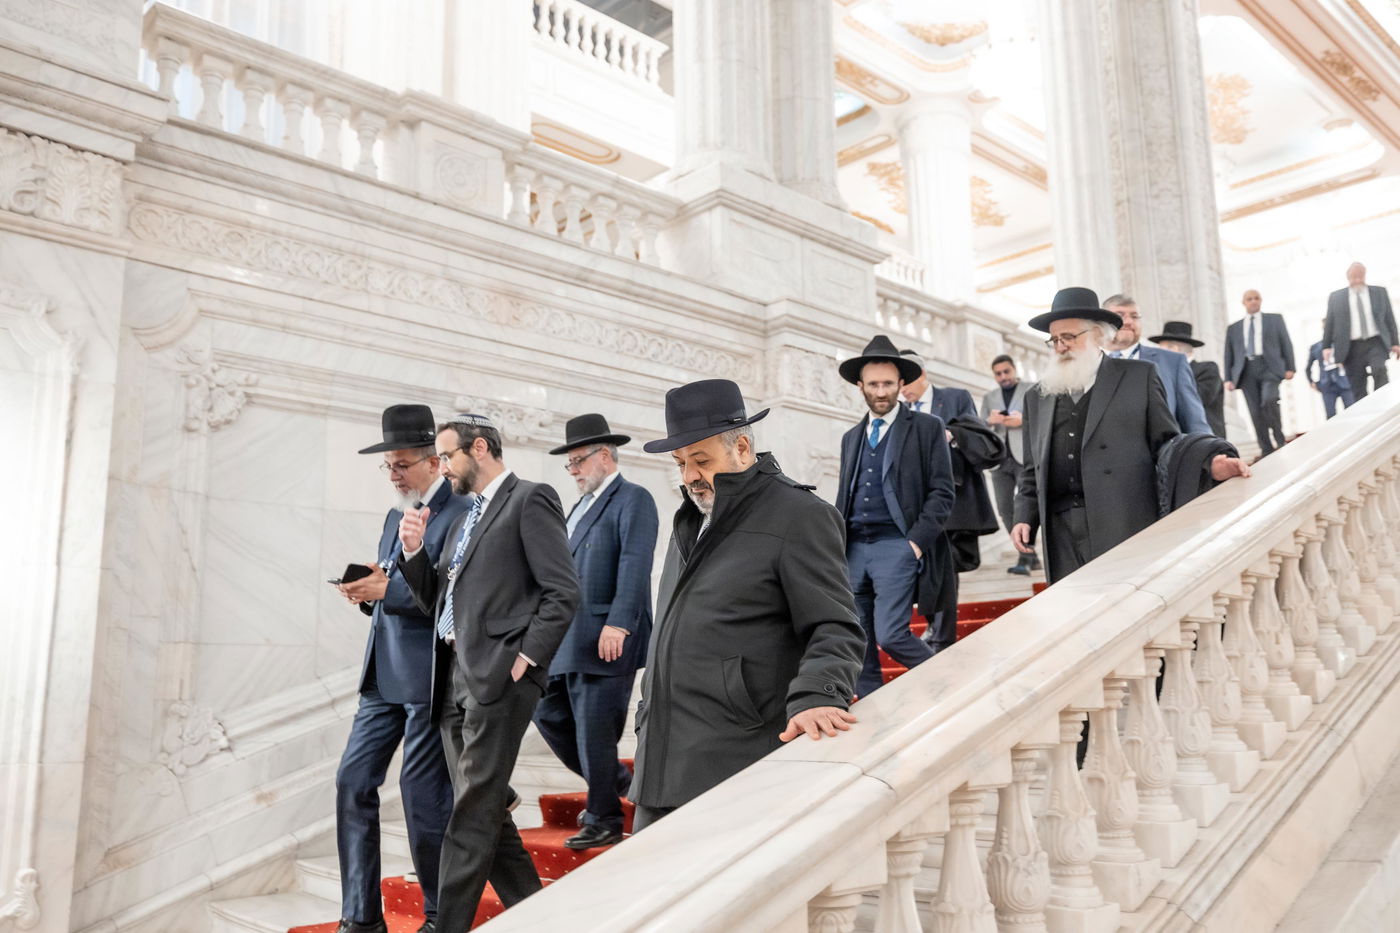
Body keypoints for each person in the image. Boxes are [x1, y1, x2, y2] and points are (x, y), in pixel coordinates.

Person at [628, 379, 865, 830]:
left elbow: (835, 625)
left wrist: (818, 694)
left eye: (700, 461)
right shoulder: (691, 518)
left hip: (735, 761)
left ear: (741, 446)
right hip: (662, 755)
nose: (689, 476)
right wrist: (646, 716)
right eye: (680, 464)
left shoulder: (800, 515)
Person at [398, 414, 580, 933]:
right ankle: (538, 915)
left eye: (448, 455)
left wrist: (525, 660)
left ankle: (445, 925)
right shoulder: (458, 521)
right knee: (483, 809)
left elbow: (561, 591)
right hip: (454, 677)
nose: (443, 466)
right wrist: (413, 552)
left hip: (502, 675)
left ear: (479, 449)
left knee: (473, 810)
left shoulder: (531, 498)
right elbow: (437, 600)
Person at [333, 405, 467, 933]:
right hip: (380, 676)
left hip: (430, 677)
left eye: (402, 464)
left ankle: (439, 916)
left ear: (435, 461)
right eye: (388, 465)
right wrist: (368, 587)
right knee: (352, 782)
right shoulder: (395, 515)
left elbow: (453, 598)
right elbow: (395, 581)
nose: (393, 474)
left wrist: (386, 589)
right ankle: (360, 919)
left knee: (422, 798)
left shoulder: (464, 513)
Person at [1012, 288, 1249, 584]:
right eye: (1054, 340)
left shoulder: (1139, 376)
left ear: (1098, 334)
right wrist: (1024, 516)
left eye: (1069, 337)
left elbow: (1166, 444)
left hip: (1123, 520)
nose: (1060, 347)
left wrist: (1207, 463)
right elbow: (1032, 468)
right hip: (1061, 531)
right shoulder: (1037, 396)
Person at [535, 414, 657, 850]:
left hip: (607, 635)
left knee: (595, 730)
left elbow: (635, 565)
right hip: (567, 637)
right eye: (569, 465)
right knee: (545, 712)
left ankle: (604, 817)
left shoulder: (634, 499)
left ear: (605, 456)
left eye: (578, 462)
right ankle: (617, 780)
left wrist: (620, 623)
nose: (573, 472)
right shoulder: (579, 506)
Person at [834, 336, 956, 696]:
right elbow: (846, 494)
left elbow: (942, 492)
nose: (881, 391)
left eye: (888, 383)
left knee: (891, 634)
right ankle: (873, 714)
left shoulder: (927, 427)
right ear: (860, 386)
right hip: (854, 549)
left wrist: (915, 544)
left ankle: (951, 685)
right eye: (873, 384)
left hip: (897, 546)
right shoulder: (850, 437)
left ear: (902, 384)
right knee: (860, 643)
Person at [1102, 294, 1215, 434]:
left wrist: (1208, 453)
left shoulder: (1173, 362)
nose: (1129, 321)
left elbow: (1194, 419)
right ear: (1102, 322)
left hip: (1159, 452)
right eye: (1120, 315)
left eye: (1135, 316)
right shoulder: (1085, 362)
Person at [979, 355, 1040, 575]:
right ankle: (1028, 553)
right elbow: (980, 428)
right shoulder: (989, 397)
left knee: (1026, 505)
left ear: (1014, 369)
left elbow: (1043, 419)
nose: (1003, 377)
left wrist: (1021, 420)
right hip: (999, 460)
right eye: (998, 373)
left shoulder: (1032, 389)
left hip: (1025, 457)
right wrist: (989, 422)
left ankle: (1026, 556)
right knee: (1005, 509)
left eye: (1006, 371)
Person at [1223, 290, 1295, 455]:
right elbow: (1228, 354)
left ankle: (1279, 436)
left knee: (1269, 399)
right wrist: (1228, 378)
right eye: (1249, 299)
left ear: (1261, 300)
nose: (1253, 301)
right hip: (1246, 370)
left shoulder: (1275, 319)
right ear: (1244, 302)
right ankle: (1266, 448)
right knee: (1255, 411)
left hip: (1270, 367)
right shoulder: (1234, 328)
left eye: (1256, 298)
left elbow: (1286, 342)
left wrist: (1290, 367)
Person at [1323, 262, 1398, 399]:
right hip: (1350, 346)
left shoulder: (1379, 292)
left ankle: (1383, 401)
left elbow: (1389, 319)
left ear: (1365, 275)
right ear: (1348, 277)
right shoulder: (1336, 297)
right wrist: (1326, 346)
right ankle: (1368, 412)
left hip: (1376, 342)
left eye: (1360, 276)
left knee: (1379, 369)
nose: (1357, 280)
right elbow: (1330, 323)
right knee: (1357, 384)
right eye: (1353, 277)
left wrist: (1395, 343)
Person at [1149, 321, 1227, 438]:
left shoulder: (1207, 369)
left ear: (1174, 349)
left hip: (1205, 439)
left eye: (1162, 349)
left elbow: (1197, 399)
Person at [898, 349, 978, 423]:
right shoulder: (900, 413)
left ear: (922, 374)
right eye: (898, 385)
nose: (902, 390)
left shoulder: (957, 398)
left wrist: (951, 434)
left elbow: (974, 432)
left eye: (905, 383)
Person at [1307, 326, 1355, 419]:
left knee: (1351, 411)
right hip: (1327, 385)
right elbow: (1308, 367)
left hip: (1345, 383)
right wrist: (1311, 381)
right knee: (1330, 415)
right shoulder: (1316, 347)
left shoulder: (1342, 344)